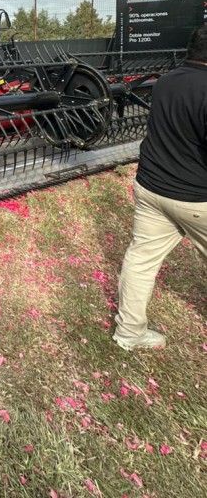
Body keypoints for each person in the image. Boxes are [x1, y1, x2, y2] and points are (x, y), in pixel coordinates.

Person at [113, 25, 207, 351]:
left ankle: (128, 334)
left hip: (151, 188)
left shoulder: (166, 81)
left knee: (140, 261)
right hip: (196, 197)